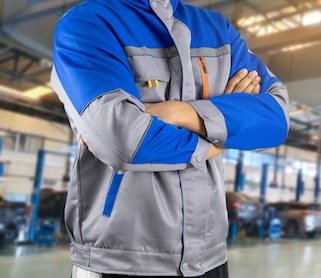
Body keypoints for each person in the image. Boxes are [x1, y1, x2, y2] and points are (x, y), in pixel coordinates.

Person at [50, 0, 289, 277]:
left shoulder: (218, 30)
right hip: (117, 261)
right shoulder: (87, 24)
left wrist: (177, 112)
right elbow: (127, 142)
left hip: (210, 260)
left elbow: (277, 120)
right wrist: (227, 132)